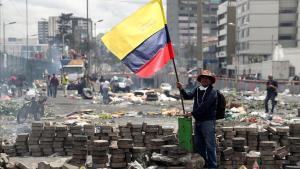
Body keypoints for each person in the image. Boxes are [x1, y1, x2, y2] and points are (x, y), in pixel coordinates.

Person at [176, 70, 218, 169]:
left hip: (208, 121)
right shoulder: (197, 89)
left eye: (207, 78)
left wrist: (192, 113)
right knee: (199, 145)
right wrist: (181, 89)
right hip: (198, 121)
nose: (204, 80)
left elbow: (205, 106)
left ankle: (213, 166)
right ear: (200, 80)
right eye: (203, 78)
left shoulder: (213, 92)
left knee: (210, 146)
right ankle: (204, 165)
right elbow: (187, 96)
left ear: (210, 81)